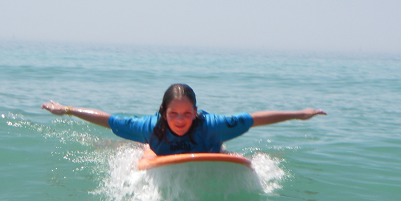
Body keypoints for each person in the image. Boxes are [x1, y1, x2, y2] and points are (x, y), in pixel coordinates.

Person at [42, 84, 326, 156]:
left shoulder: (212, 125)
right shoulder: (150, 127)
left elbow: (254, 119)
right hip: (160, 148)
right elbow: (110, 120)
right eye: (173, 114)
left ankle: (220, 150)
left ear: (196, 112)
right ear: (163, 113)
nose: (180, 119)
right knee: (136, 147)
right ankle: (145, 149)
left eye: (187, 114)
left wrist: (299, 115)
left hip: (207, 146)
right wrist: (67, 109)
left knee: (219, 147)